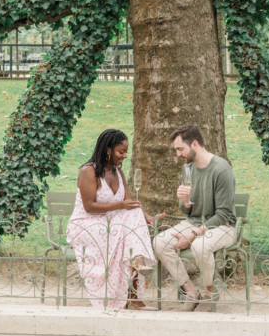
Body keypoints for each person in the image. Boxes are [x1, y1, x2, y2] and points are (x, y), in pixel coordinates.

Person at [152, 125, 236, 311]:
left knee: (200, 245)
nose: (178, 154)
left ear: (195, 144)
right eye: (176, 150)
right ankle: (191, 292)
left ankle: (209, 293)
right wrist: (185, 202)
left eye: (180, 149)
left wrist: (194, 234)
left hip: (222, 226)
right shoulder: (188, 169)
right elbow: (188, 212)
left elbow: (223, 214)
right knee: (159, 242)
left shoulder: (221, 169)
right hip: (194, 222)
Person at [70, 128, 156, 309]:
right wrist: (121, 207)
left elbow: (128, 202)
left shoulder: (118, 172)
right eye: (121, 151)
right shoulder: (89, 171)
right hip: (87, 223)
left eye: (126, 151)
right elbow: (89, 206)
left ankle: (132, 289)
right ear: (108, 150)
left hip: (111, 224)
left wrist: (144, 215)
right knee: (123, 234)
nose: (125, 155)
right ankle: (131, 287)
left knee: (131, 219)